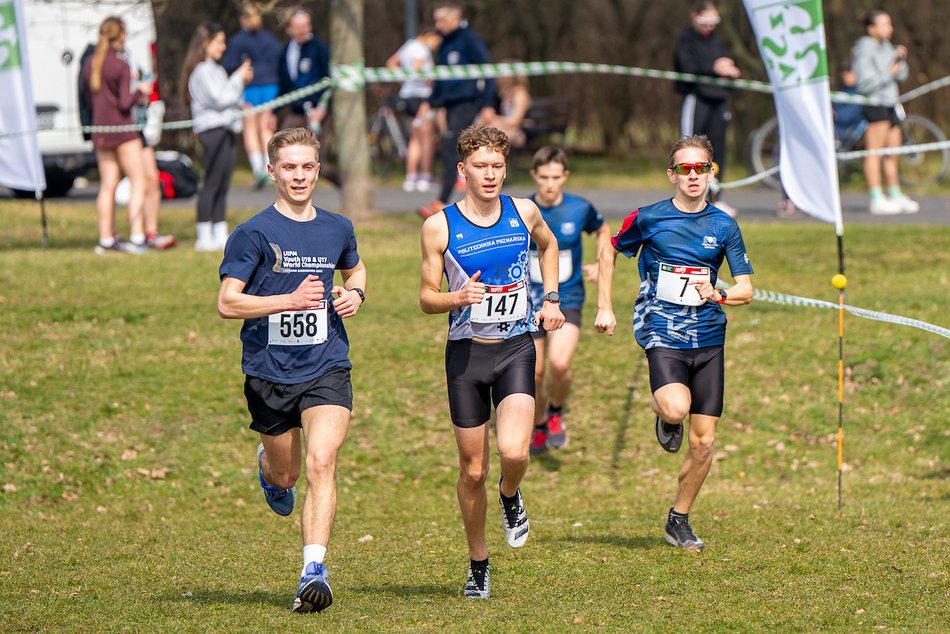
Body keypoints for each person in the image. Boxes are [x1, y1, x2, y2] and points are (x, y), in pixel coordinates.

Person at [217, 127, 366, 613]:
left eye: (307, 167)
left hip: (327, 364)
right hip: (269, 370)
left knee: (322, 460)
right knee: (287, 475)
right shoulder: (252, 233)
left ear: (318, 170)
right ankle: (268, 470)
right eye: (288, 167)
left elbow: (355, 269)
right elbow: (227, 302)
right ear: (272, 171)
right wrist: (289, 300)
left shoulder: (338, 227)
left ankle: (313, 570)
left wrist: (355, 294)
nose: (298, 176)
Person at [419, 125, 564, 598]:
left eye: (498, 166)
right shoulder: (439, 226)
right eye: (480, 167)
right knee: (473, 470)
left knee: (516, 453)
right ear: (462, 170)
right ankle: (478, 562)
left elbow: (549, 246)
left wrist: (552, 298)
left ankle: (510, 494)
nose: (490, 175)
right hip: (465, 357)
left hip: (516, 347)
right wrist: (456, 297)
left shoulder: (523, 211)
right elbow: (425, 297)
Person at [594, 135, 753, 552]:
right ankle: (663, 412)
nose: (694, 176)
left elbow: (746, 290)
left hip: (709, 335)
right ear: (672, 174)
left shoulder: (724, 225)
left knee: (703, 443)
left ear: (711, 172)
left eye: (702, 168)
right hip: (660, 328)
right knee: (676, 406)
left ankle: (678, 519)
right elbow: (609, 251)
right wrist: (605, 307)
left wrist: (717, 293)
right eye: (686, 169)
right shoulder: (648, 218)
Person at [526, 146, 610, 456]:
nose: (549, 184)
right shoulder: (522, 210)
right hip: (529, 300)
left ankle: (556, 413)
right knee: (533, 372)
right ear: (534, 176)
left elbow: (602, 230)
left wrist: (602, 262)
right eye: (544, 177)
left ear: (565, 177)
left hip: (568, 296)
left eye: (556, 177)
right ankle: (537, 425)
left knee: (559, 364)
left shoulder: (579, 208)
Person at [80, 16, 153, 255]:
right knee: (139, 180)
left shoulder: (90, 64)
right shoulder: (121, 65)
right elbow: (124, 103)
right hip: (122, 129)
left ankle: (105, 239)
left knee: (108, 185)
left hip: (101, 130)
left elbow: (88, 100)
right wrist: (140, 92)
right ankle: (137, 235)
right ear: (120, 35)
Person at [419, 2, 496, 218]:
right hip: (448, 105)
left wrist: (488, 103)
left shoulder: (469, 41)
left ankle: (443, 200)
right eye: (436, 21)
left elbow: (489, 70)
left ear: (456, 17)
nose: (438, 25)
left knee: (453, 148)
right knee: (454, 148)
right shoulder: (444, 43)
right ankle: (458, 199)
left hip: (467, 103)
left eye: (442, 20)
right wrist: (431, 101)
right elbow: (442, 78)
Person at [181, 22, 253, 251]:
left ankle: (220, 231)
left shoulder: (218, 69)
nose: (223, 47)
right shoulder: (202, 70)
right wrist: (238, 78)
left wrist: (239, 88)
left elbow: (231, 100)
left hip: (227, 129)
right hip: (211, 131)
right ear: (206, 42)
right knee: (211, 181)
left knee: (223, 182)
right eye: (219, 41)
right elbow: (220, 98)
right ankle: (204, 234)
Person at [673, 0, 740, 217]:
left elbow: (725, 63)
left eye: (715, 21)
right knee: (690, 148)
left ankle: (716, 199)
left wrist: (730, 69)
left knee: (717, 151)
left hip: (718, 101)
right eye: (706, 21)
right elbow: (687, 68)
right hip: (697, 99)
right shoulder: (685, 41)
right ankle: (684, 198)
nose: (711, 26)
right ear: (695, 18)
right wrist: (714, 69)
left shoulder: (717, 41)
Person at [852, 9, 919, 215]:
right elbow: (864, 83)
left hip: (891, 104)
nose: (889, 28)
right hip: (875, 104)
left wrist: (899, 60)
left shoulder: (887, 47)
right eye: (884, 24)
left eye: (889, 24)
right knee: (874, 152)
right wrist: (888, 72)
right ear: (871, 28)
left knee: (892, 152)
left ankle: (894, 192)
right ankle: (876, 197)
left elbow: (901, 75)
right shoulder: (864, 49)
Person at [223, 2, 284, 190]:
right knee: (266, 129)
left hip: (250, 87)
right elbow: (280, 60)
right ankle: (269, 169)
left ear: (243, 18)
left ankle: (258, 169)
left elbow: (228, 65)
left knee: (250, 129)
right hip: (270, 85)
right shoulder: (270, 39)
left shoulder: (238, 40)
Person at [386, 29, 441, 193]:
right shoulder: (421, 49)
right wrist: (429, 82)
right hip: (422, 97)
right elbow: (419, 68)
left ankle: (411, 177)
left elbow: (391, 63)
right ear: (429, 35)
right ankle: (425, 176)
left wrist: (404, 80)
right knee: (426, 139)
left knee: (414, 138)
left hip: (407, 96)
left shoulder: (408, 46)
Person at [277, 7, 330, 133]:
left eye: (307, 25)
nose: (304, 30)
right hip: (296, 111)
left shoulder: (319, 48)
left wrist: (323, 108)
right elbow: (284, 85)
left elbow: (328, 78)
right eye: (299, 26)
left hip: (318, 112)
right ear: (289, 29)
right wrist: (273, 113)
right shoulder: (285, 53)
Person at [483, 73, 532, 149]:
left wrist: (494, 119)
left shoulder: (520, 94)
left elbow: (515, 121)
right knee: (484, 128)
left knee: (491, 132)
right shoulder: (504, 94)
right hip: (506, 128)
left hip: (520, 132)